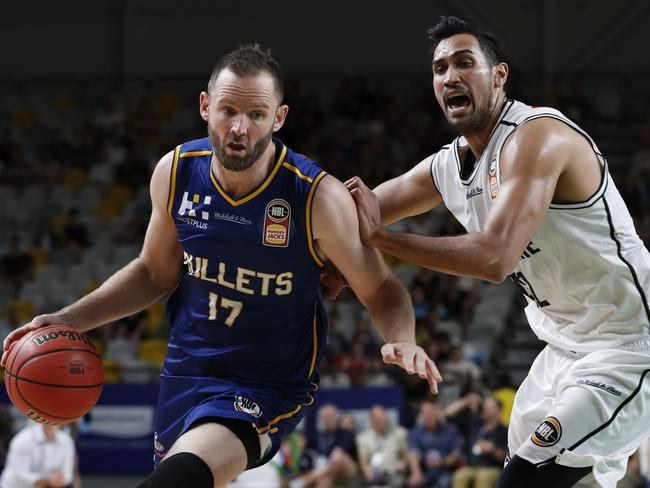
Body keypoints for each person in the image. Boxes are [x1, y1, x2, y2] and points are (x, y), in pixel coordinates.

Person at [2, 44, 440, 488]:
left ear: (279, 118)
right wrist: (67, 319)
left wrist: (402, 339)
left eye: (256, 115)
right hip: (187, 370)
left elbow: (382, 288)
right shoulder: (175, 172)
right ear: (205, 106)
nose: (239, 128)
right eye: (228, 110)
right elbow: (154, 273)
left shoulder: (316, 198)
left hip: (264, 387)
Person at [343, 15, 650, 488]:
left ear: (499, 75)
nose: (450, 76)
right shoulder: (448, 165)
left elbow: (494, 258)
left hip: (627, 342)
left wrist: (381, 239)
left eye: (465, 63)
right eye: (439, 68)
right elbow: (356, 215)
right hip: (562, 346)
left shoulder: (538, 136)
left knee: (525, 477)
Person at [451, 397, 507, 488]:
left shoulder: (505, 431)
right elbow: (448, 415)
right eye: (484, 407)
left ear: (499, 410)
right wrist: (466, 400)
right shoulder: (475, 425)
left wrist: (492, 449)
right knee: (459, 476)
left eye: (490, 407)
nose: (486, 410)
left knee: (483, 477)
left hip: (492, 468)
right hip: (472, 467)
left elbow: (505, 458)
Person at [0, 422, 75, 488]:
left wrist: (60, 479)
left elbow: (68, 475)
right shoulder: (23, 440)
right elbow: (19, 474)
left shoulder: (66, 441)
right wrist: (48, 480)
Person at [407, 401, 462, 488]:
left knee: (443, 483)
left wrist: (440, 462)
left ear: (437, 414)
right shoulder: (415, 432)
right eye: (426, 414)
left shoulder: (450, 430)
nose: (429, 416)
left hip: (445, 471)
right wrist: (417, 472)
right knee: (414, 483)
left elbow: (456, 455)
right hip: (425, 471)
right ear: (422, 416)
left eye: (431, 413)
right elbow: (414, 454)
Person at [356, 405, 409, 488]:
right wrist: (367, 471)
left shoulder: (399, 433)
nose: (381, 421)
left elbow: (405, 454)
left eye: (383, 418)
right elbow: (363, 460)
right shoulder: (363, 438)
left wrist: (403, 464)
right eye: (378, 419)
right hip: (374, 473)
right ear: (372, 421)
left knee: (399, 482)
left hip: (392, 472)